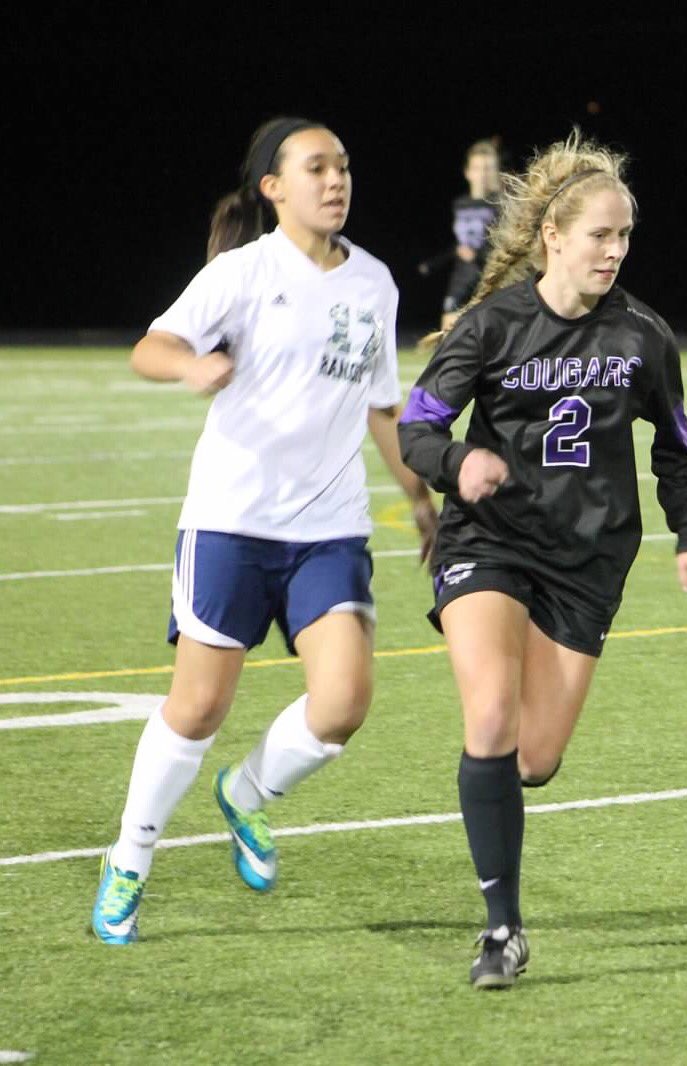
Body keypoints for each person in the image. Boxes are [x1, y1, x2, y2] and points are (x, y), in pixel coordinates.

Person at [91, 116, 438, 945]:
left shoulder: (375, 283)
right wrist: (193, 365)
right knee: (199, 707)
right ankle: (130, 857)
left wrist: (421, 499)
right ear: (273, 188)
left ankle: (245, 796)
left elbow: (382, 405)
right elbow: (153, 345)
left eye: (344, 167)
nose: (336, 180)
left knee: (344, 702)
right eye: (316, 168)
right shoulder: (243, 274)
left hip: (330, 528)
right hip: (231, 523)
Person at [398, 131, 687, 989]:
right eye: (599, 236)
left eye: (623, 237)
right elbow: (417, 424)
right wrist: (456, 463)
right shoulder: (491, 325)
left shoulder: (645, 335)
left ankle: (496, 798)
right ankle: (501, 930)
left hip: (588, 562)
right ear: (553, 238)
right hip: (489, 541)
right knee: (493, 717)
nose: (614, 251)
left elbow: (678, 448)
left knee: (534, 758)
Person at [439, 139, 501, 331]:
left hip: (490, 278)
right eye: (478, 168)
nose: (482, 174)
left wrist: (479, 255)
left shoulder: (501, 205)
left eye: (488, 168)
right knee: (448, 334)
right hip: (462, 277)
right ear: (468, 172)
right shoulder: (459, 204)